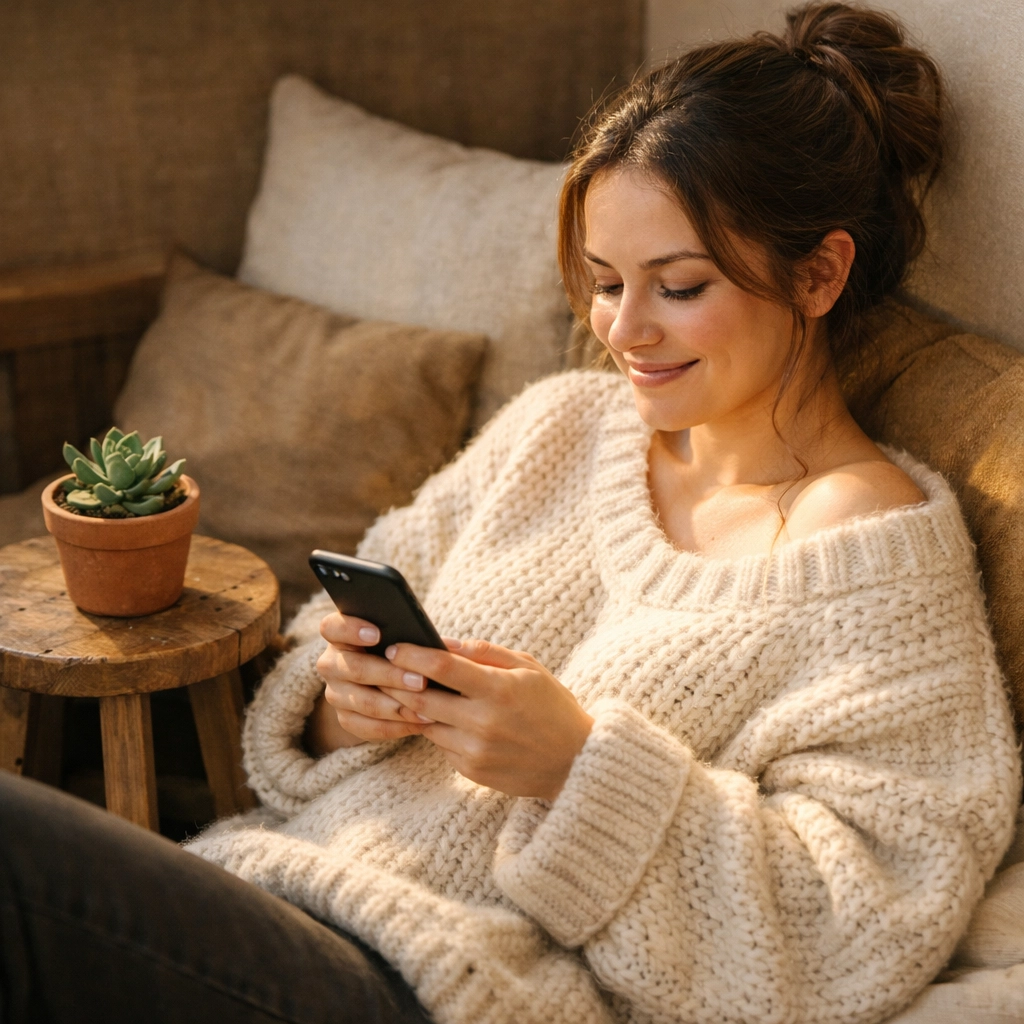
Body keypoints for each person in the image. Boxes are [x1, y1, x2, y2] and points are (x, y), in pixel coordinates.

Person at [1, 3, 1019, 1023]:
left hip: (442, 988)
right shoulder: (561, 429)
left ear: (820, 272)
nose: (624, 328)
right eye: (606, 281)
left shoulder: (873, 558)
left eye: (678, 285)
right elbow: (332, 624)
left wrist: (579, 769)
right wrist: (340, 702)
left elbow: (864, 917)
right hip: (278, 890)